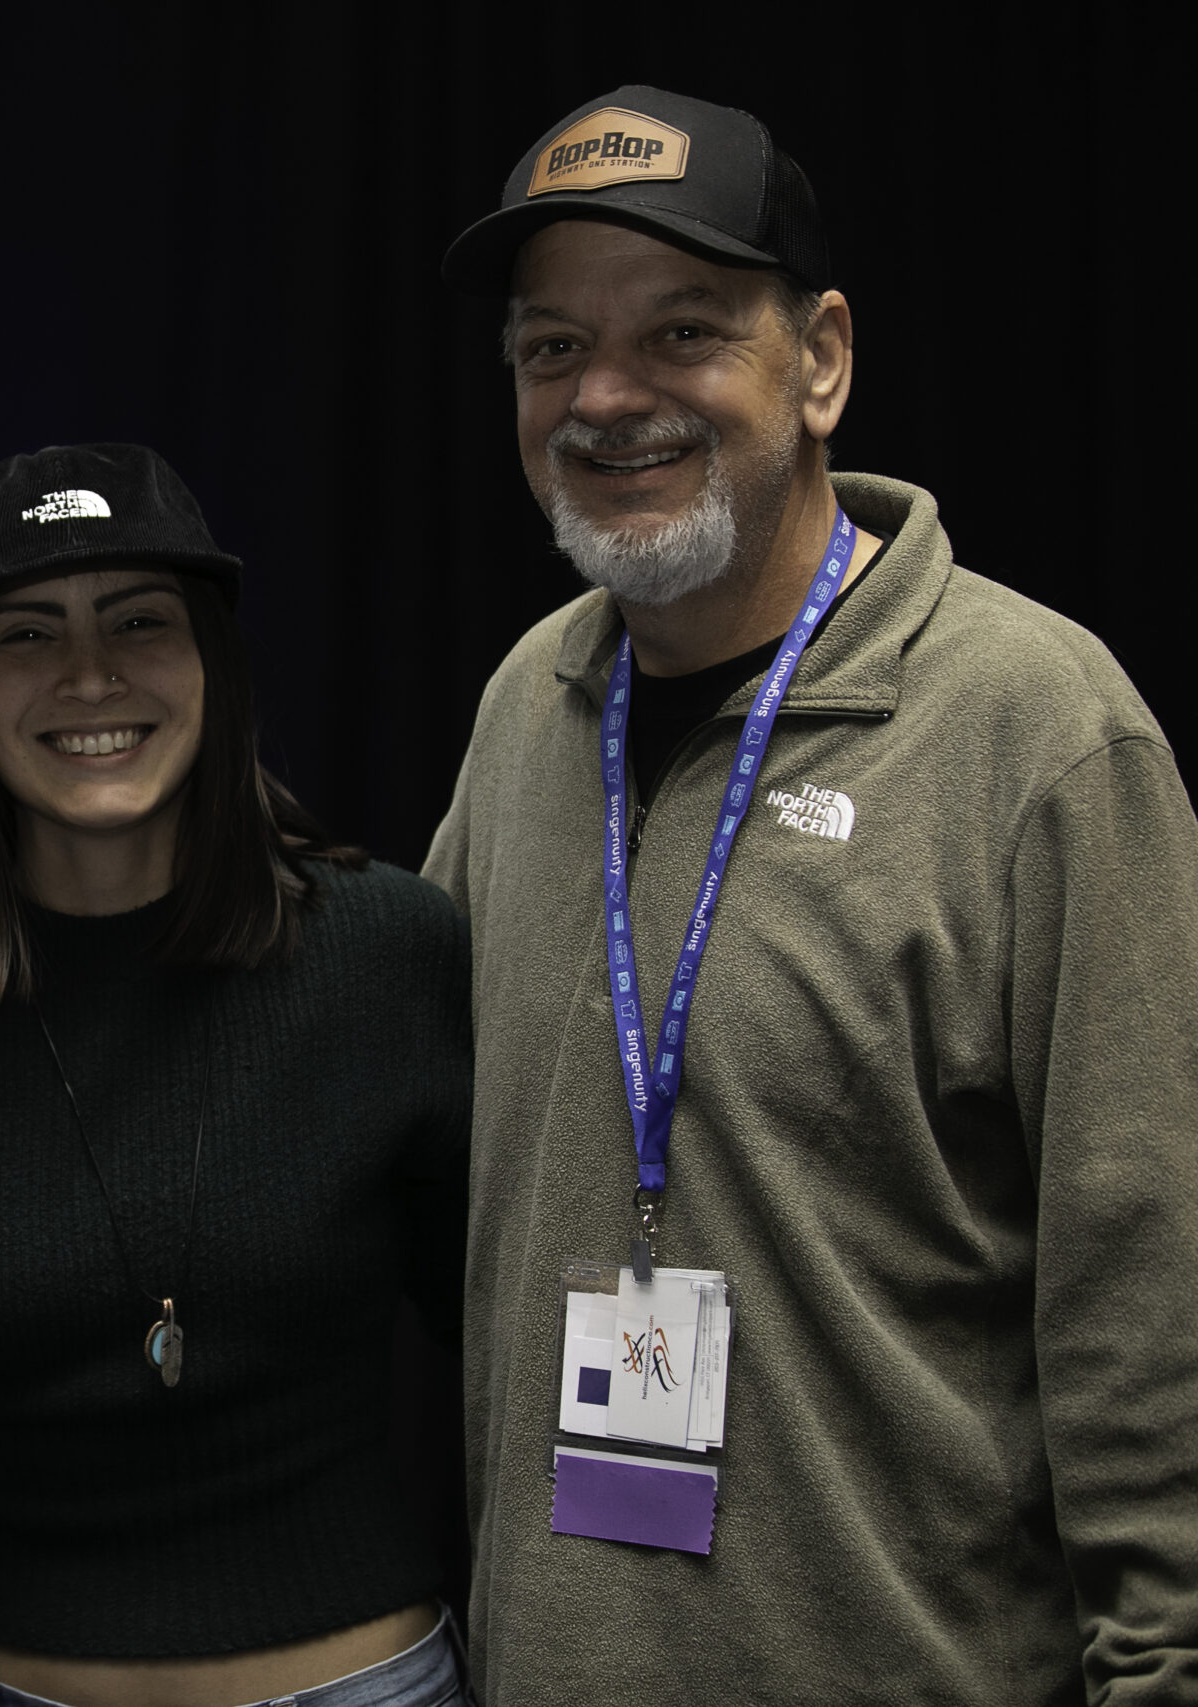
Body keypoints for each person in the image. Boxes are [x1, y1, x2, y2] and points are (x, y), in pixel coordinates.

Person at [425, 86, 1198, 1705]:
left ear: (822, 358)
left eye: (683, 330)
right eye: (551, 347)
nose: (606, 397)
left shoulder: (1036, 730)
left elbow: (1155, 1330)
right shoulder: (524, 707)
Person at [0, 444, 474, 1707]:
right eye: (28, 635)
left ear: (213, 659)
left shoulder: (396, 956)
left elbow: (505, 1344)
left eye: (140, 623)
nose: (90, 676)